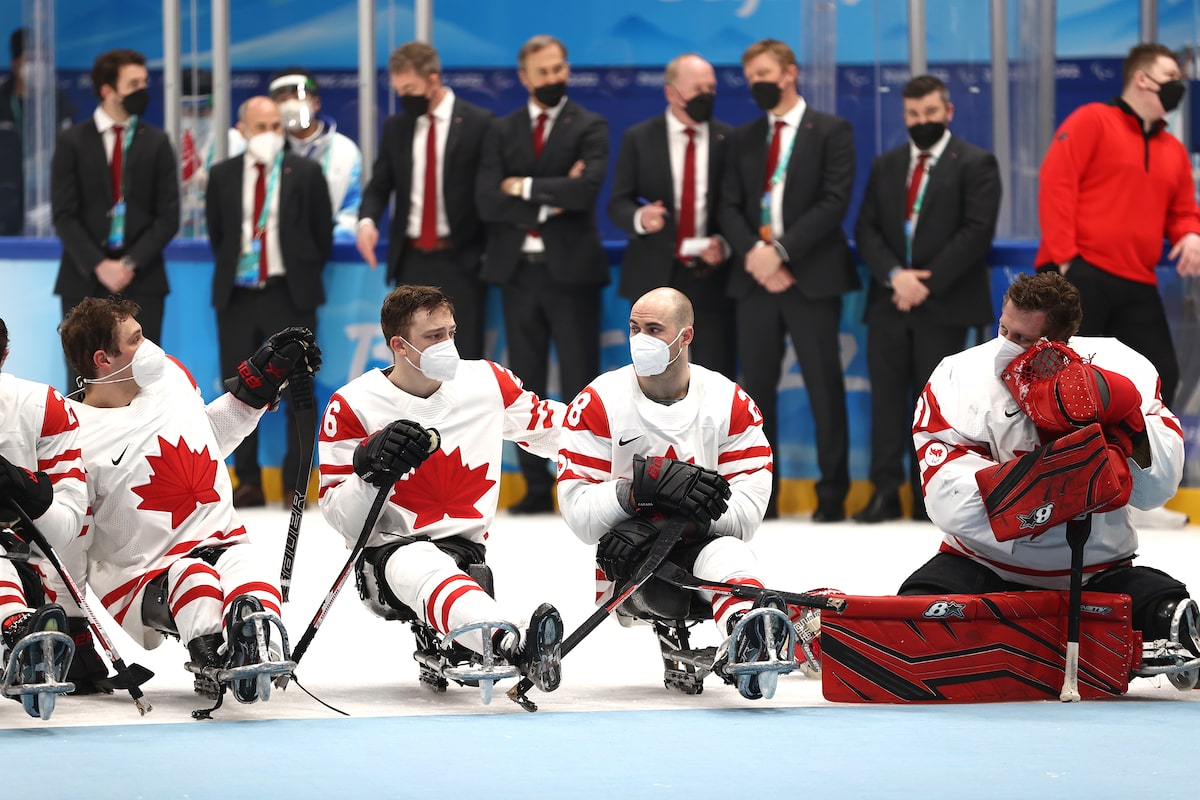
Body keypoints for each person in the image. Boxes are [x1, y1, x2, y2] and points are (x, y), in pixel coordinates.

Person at [900, 272, 1198, 684]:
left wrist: (1128, 428)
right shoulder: (958, 375)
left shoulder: (1123, 368)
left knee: (1170, 613)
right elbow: (945, 497)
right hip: (986, 565)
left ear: (1061, 339)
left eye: (1022, 339)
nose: (1006, 345)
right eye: (1002, 328)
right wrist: (1062, 482)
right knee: (916, 616)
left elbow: (1156, 491)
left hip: (1099, 570)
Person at [58, 296, 319, 703]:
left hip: (220, 537)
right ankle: (211, 647)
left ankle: (258, 635)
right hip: (145, 573)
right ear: (102, 359)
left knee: (248, 570)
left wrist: (252, 395)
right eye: (135, 339)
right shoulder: (72, 436)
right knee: (193, 579)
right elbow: (69, 540)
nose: (151, 347)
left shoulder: (171, 378)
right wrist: (74, 628)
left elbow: (204, 440)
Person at [317, 285, 566, 695]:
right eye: (433, 337)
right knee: (421, 563)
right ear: (399, 345)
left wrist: (621, 432)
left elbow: (554, 428)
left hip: (465, 549)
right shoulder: (353, 404)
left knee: (440, 569)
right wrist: (371, 471)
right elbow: (342, 519)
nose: (447, 344)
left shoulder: (487, 381)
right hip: (388, 553)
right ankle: (512, 643)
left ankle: (496, 635)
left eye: (451, 332)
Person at [556, 287, 787, 699]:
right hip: (634, 554)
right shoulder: (597, 402)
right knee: (666, 583)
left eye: (654, 329)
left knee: (731, 554)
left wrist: (698, 506)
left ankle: (748, 634)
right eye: (633, 328)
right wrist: (636, 494)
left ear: (685, 337)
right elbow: (579, 515)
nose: (639, 339)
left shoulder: (730, 401)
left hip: (704, 542)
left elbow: (747, 515)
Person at [717, 39, 858, 521]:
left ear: (790, 73)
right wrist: (757, 255)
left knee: (824, 384)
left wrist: (779, 253)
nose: (758, 83)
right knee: (756, 391)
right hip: (755, 279)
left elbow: (833, 201)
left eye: (765, 73)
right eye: (751, 76)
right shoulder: (743, 137)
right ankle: (764, 498)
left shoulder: (831, 130)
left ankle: (834, 494)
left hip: (810, 277)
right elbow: (728, 205)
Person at [852, 74, 1001, 523]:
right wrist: (897, 277)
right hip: (889, 301)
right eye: (914, 115)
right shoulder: (887, 164)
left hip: (946, 304)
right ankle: (883, 490)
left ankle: (930, 496)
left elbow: (976, 232)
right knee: (886, 400)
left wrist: (925, 284)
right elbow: (866, 229)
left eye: (931, 113)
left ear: (948, 112)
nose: (922, 121)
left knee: (940, 407)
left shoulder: (976, 163)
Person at [476, 34, 609, 515]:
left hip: (571, 274)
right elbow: (487, 200)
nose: (553, 78)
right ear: (524, 77)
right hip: (518, 273)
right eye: (543, 71)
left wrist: (524, 186)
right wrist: (555, 194)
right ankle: (534, 485)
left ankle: (583, 479)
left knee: (580, 379)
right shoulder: (502, 128)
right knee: (523, 382)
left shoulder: (590, 125)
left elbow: (586, 192)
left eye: (559, 69)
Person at [1037, 43, 1200, 412]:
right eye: (1171, 76)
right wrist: (1066, 262)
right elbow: (1056, 185)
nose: (1179, 85)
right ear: (1142, 79)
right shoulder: (1092, 120)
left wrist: (1190, 233)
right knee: (1067, 382)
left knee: (1161, 376)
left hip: (1137, 281)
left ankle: (1128, 463)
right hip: (1081, 274)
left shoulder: (1173, 149)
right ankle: (1072, 466)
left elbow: (1182, 210)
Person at [206, 96, 333, 508]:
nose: (270, 135)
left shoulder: (307, 173)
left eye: (276, 126)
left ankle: (297, 482)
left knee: (300, 390)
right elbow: (218, 234)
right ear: (241, 130)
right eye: (260, 127)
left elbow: (321, 233)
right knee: (241, 391)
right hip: (238, 295)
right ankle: (247, 482)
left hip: (289, 293)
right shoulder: (222, 175)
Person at [51, 49, 179, 391]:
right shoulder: (72, 142)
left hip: (142, 278)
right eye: (133, 83)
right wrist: (99, 265)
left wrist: (128, 262)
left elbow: (168, 216)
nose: (143, 89)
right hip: (84, 279)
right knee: (83, 381)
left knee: (143, 379)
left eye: (145, 82)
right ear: (107, 90)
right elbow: (63, 214)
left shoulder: (156, 142)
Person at [357, 42, 492, 361]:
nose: (404, 96)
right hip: (412, 260)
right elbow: (379, 185)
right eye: (398, 90)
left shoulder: (478, 123)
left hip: (461, 260)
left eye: (410, 88)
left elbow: (489, 193)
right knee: (411, 356)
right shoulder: (397, 127)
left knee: (462, 355)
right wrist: (367, 222)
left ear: (433, 79)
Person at [607, 53, 736, 379]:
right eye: (698, 88)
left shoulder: (729, 139)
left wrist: (724, 242)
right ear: (671, 92)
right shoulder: (639, 138)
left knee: (714, 376)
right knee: (651, 377)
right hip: (655, 276)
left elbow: (739, 207)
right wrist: (641, 217)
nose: (707, 95)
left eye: (712, 87)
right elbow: (617, 204)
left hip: (712, 277)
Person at [0, 316, 93, 714]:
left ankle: (19, 627)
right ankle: (17, 627)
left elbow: (66, 528)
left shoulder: (40, 407)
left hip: (16, 569)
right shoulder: (44, 404)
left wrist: (27, 493)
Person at [267, 69, 362, 244]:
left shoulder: (345, 150)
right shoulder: (267, 150)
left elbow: (353, 208)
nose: (290, 105)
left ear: (316, 103)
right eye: (282, 100)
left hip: (329, 253)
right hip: (274, 254)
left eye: (298, 97)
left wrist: (329, 240)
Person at [0, 28, 75, 235]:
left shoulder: (58, 104)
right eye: (31, 59)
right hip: (5, 205)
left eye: (43, 59)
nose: (38, 66)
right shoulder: (2, 101)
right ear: (16, 65)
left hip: (45, 203)